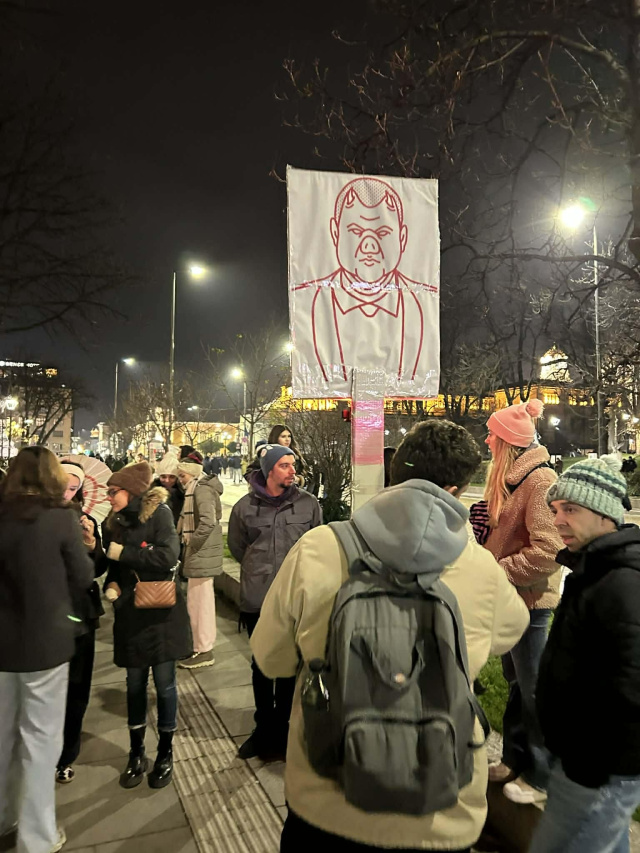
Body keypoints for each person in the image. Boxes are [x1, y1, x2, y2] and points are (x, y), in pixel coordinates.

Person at [250, 419, 529, 851]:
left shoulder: (319, 547)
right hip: (439, 815)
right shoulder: (480, 568)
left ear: (394, 473)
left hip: (325, 802)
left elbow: (271, 658)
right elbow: (511, 631)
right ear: (455, 490)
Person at [529, 455, 640, 852]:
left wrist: (588, 767)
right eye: (556, 509)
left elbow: (633, 689)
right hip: (584, 764)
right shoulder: (595, 570)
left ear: (606, 515)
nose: (558, 520)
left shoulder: (621, 582)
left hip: (598, 770)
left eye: (571, 509)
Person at [0, 447, 94, 853]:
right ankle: (36, 837)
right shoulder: (60, 519)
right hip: (45, 646)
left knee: (2, 736)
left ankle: (4, 819)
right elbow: (83, 575)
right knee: (41, 741)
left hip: (2, 648)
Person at [291, 176, 439, 398]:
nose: (369, 245)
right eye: (356, 232)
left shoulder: (423, 302)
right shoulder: (307, 299)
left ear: (402, 237)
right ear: (335, 233)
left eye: (382, 233)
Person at [483, 398, 563, 804]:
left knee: (534, 694)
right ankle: (516, 759)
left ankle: (543, 775)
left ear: (509, 444)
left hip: (530, 604)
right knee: (517, 687)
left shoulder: (538, 481)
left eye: (492, 436)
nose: (486, 441)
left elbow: (549, 550)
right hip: (512, 601)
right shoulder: (516, 481)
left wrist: (498, 570)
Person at [228, 444, 322, 761]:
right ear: (269, 471)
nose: (292, 470)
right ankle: (262, 730)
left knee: (288, 668)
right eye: (284, 465)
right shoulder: (244, 508)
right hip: (259, 600)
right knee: (261, 665)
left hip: (296, 601)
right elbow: (238, 548)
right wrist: (261, 574)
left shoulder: (309, 505)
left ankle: (282, 730)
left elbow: (318, 548)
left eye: (293, 464)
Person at [101, 461, 192, 790]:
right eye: (108, 492)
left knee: (165, 684)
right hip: (130, 614)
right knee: (135, 685)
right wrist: (110, 584)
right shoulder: (112, 522)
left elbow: (167, 558)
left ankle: (165, 753)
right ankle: (136, 752)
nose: (109, 497)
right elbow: (111, 565)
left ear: (133, 492)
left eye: (114, 492)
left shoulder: (160, 514)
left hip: (162, 612)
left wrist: (124, 553)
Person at [56, 461, 107, 785]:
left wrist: (91, 545)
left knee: (77, 690)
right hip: (45, 617)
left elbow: (97, 568)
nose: (68, 490)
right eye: (63, 483)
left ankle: (66, 756)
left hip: (80, 616)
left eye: (74, 486)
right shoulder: (35, 518)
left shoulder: (83, 520)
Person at [176, 453, 223, 670]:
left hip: (201, 553)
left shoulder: (201, 489)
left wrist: (192, 542)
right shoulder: (197, 488)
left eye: (182, 475)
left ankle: (203, 649)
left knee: (200, 603)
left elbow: (208, 521)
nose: (180, 479)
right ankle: (200, 646)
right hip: (201, 553)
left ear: (192, 473)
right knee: (198, 601)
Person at [153, 451, 184, 525]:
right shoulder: (151, 492)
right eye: (163, 477)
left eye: (172, 477)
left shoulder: (183, 492)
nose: (167, 481)